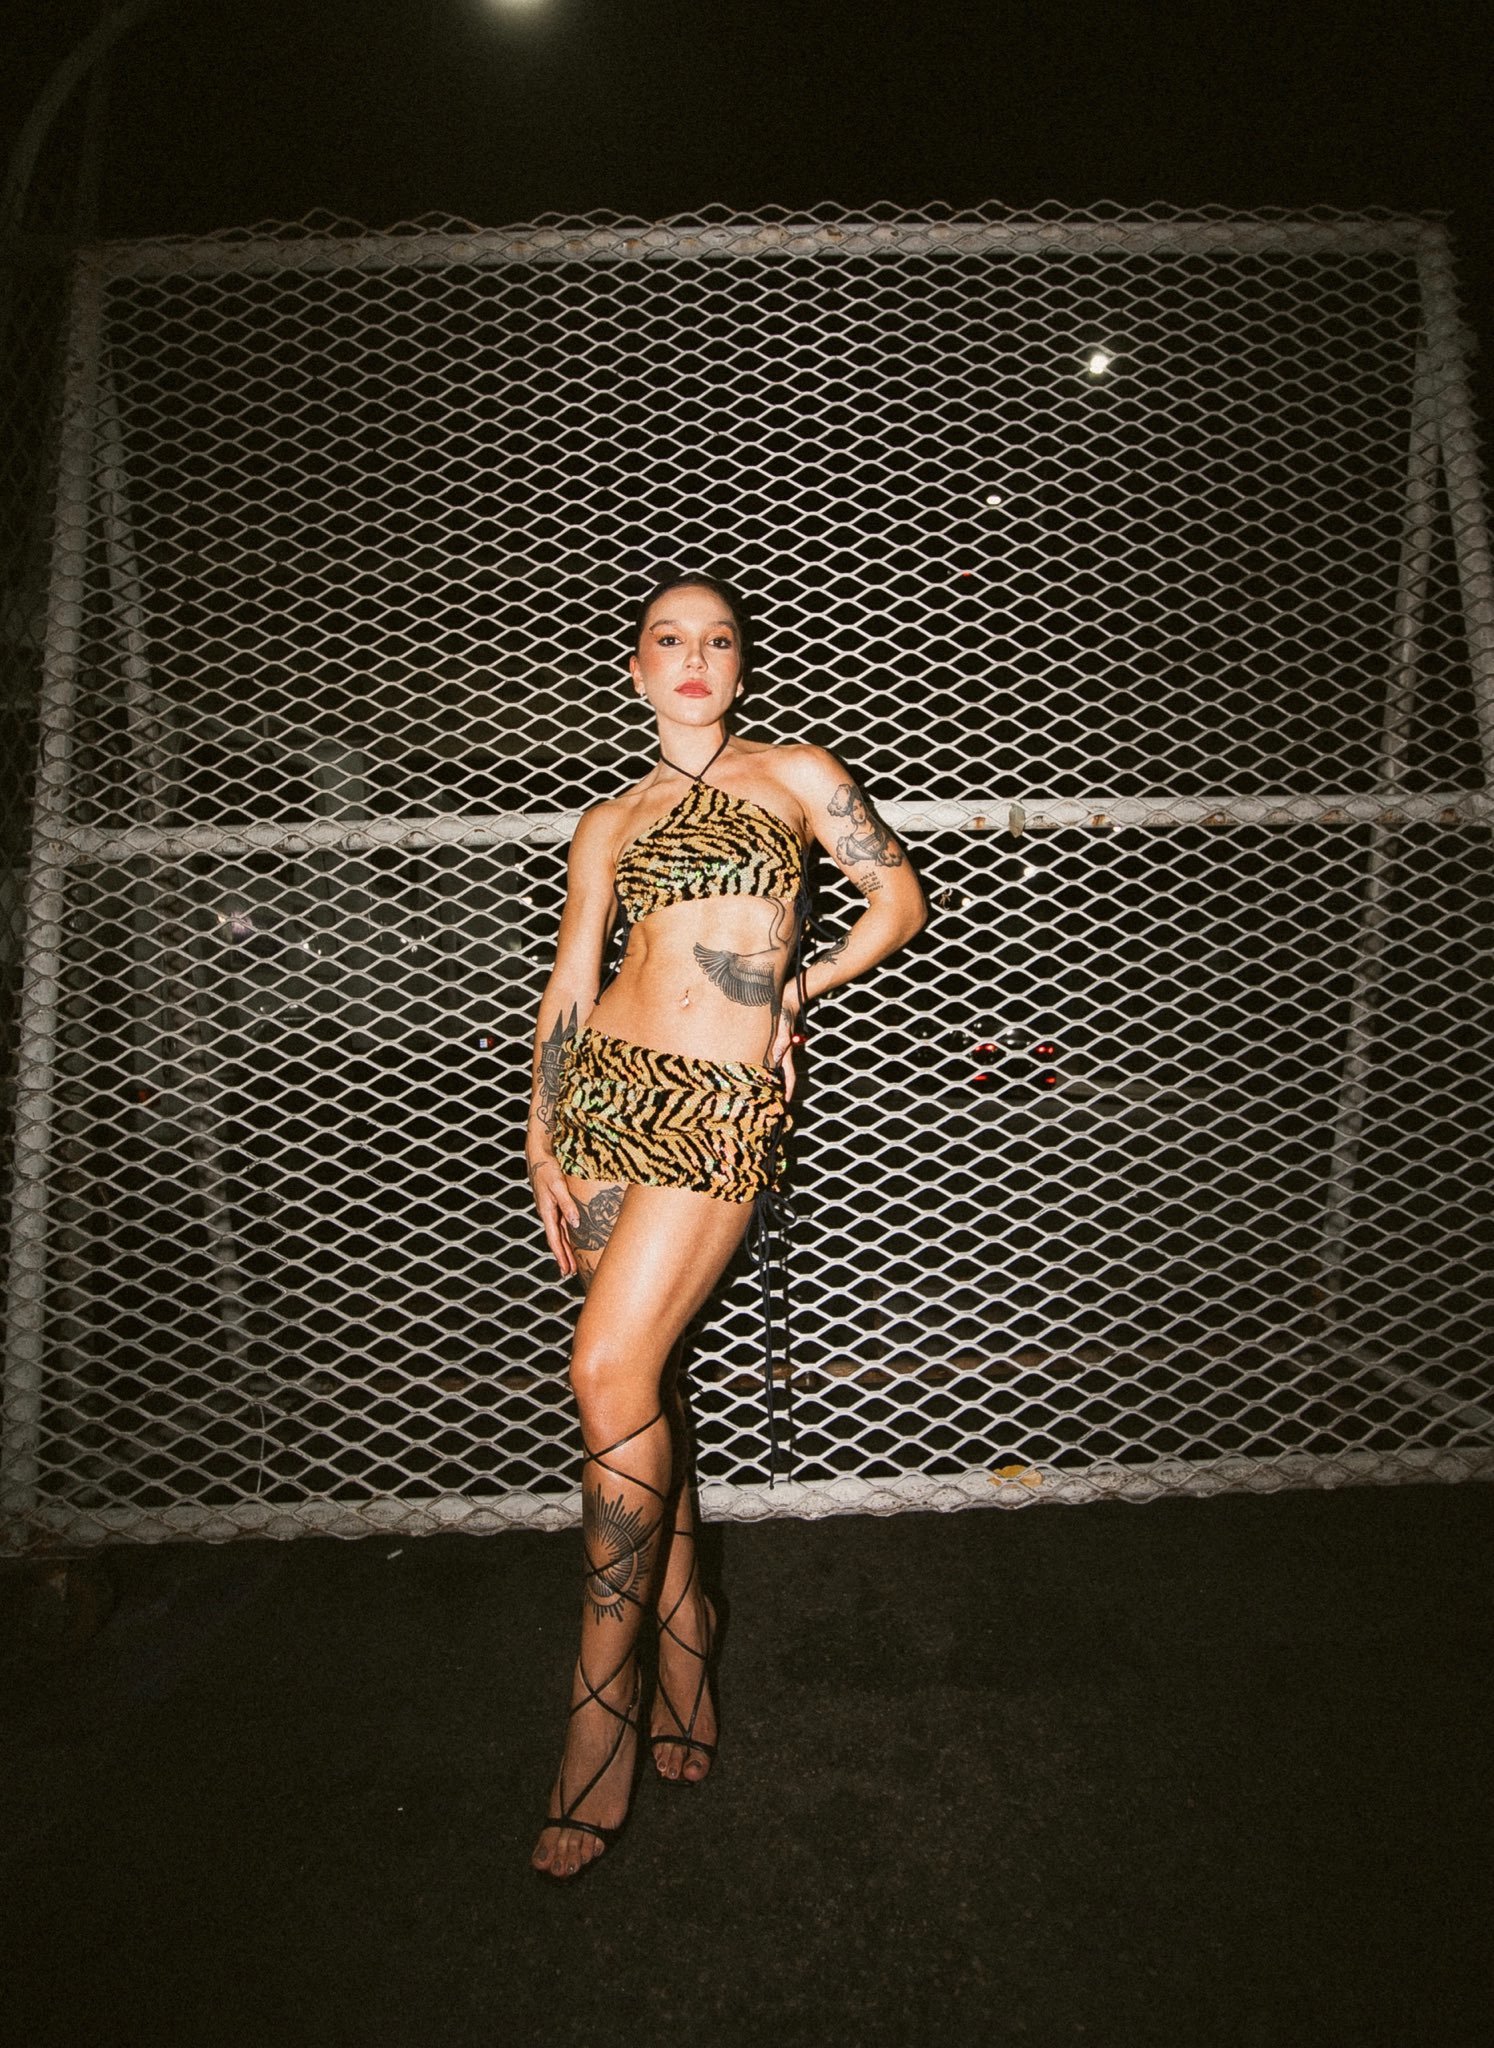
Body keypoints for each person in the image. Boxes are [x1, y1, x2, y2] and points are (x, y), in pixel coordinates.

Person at [524, 572, 926, 1879]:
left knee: (602, 1372)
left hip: (718, 1104)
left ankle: (600, 1714)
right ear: (637, 670)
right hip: (603, 1101)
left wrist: (796, 988)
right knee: (632, 1389)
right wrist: (542, 1133)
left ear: (739, 668)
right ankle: (686, 1624)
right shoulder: (608, 820)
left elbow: (896, 904)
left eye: (717, 640)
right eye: (668, 640)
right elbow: (573, 977)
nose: (693, 657)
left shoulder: (796, 776)